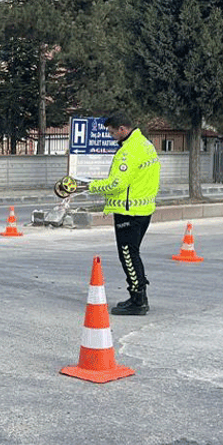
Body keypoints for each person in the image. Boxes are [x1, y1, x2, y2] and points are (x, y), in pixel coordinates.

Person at [79, 112, 160, 315]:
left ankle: (138, 301)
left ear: (122, 129)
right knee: (133, 254)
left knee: (128, 256)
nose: (111, 136)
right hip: (143, 209)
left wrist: (89, 186)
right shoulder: (145, 144)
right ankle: (137, 296)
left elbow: (117, 184)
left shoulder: (128, 151)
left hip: (129, 211)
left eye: (112, 132)